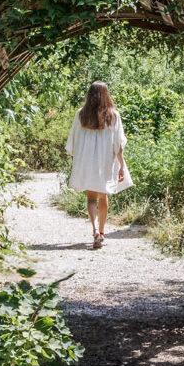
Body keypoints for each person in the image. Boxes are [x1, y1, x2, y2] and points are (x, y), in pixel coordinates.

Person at [66, 81, 132, 249]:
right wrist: (122, 165)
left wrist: (78, 159)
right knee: (103, 196)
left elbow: (74, 139)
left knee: (91, 198)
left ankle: (94, 230)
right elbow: (118, 145)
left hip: (87, 161)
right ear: (106, 95)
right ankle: (101, 233)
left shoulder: (81, 114)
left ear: (90, 95)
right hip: (105, 162)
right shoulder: (113, 115)